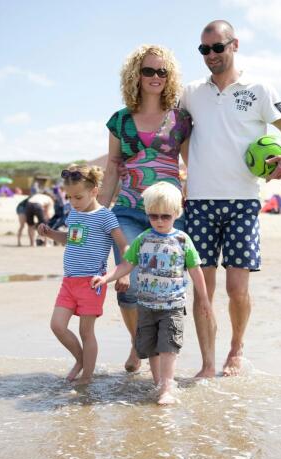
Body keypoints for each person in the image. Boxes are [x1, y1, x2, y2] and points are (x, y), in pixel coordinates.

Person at [179, 20, 281, 377]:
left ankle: (236, 348)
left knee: (236, 289)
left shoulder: (260, 89)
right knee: (203, 291)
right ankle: (207, 363)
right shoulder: (191, 93)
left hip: (243, 202)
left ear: (235, 45)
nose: (211, 55)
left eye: (217, 47)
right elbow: (175, 132)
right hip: (199, 202)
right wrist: (190, 168)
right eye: (204, 49)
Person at [98, 44, 192, 374]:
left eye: (162, 71)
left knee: (162, 286)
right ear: (136, 75)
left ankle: (150, 349)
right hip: (126, 210)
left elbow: (191, 165)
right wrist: (97, 212)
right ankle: (139, 341)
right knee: (130, 284)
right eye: (148, 70)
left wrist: (188, 203)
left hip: (167, 215)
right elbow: (112, 167)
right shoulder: (120, 120)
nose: (155, 77)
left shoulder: (180, 120)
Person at [91, 182, 211, 404]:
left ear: (176, 213)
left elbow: (196, 270)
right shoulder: (143, 239)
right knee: (152, 349)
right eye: (153, 216)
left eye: (165, 216)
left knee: (168, 347)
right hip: (146, 306)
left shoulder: (182, 240)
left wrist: (203, 299)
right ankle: (158, 384)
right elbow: (126, 265)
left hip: (172, 306)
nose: (159, 221)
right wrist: (106, 278)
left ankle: (167, 388)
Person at [38, 164, 128, 385]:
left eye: (78, 197)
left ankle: (87, 377)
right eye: (69, 197)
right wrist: (50, 233)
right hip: (69, 281)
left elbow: (123, 246)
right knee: (57, 326)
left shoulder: (105, 216)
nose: (73, 202)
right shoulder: (74, 213)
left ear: (94, 191)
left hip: (92, 282)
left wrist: (123, 272)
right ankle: (80, 360)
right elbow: (71, 239)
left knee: (86, 332)